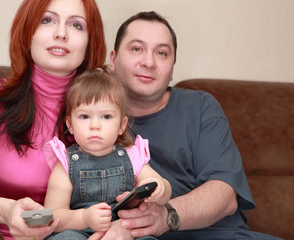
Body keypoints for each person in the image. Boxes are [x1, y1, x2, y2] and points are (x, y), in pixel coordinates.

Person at [89, 11, 282, 240]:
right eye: (137, 49)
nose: (149, 62)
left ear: (172, 69)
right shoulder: (90, 119)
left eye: (162, 53)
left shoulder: (200, 107)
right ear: (113, 59)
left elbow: (225, 194)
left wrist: (164, 216)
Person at [0, 0, 106, 239]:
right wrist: (5, 210)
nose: (61, 33)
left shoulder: (108, 106)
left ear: (89, 43)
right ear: (27, 31)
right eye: (47, 20)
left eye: (76, 25)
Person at [42, 67, 172, 240]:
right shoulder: (66, 163)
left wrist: (160, 188)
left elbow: (162, 185)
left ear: (122, 125)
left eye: (106, 117)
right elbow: (52, 215)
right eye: (84, 116)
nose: (95, 125)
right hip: (79, 231)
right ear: (70, 125)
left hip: (123, 230)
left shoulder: (132, 156)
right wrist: (83, 218)